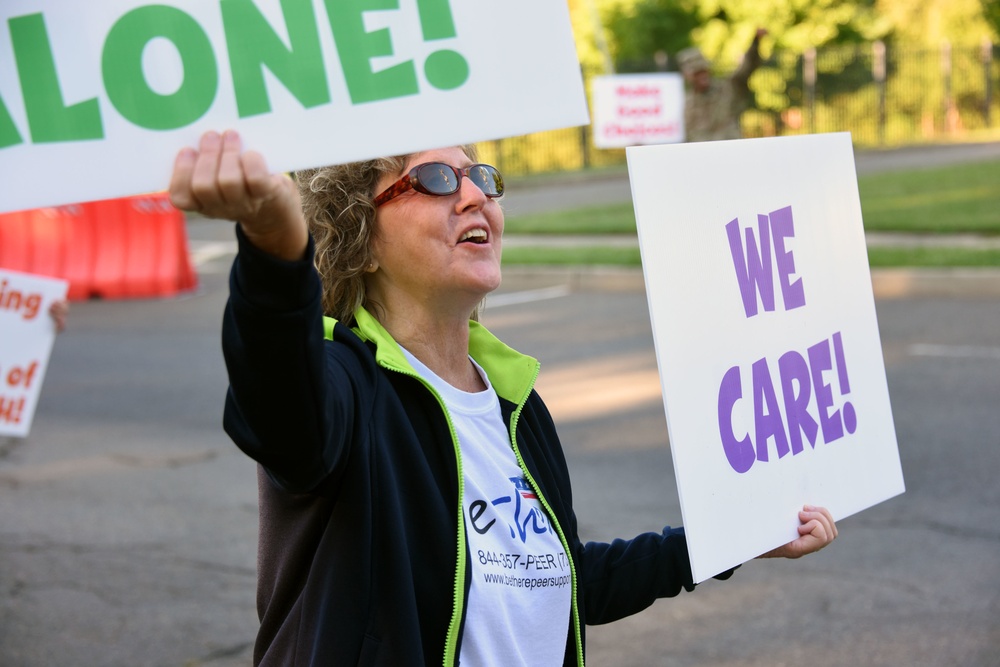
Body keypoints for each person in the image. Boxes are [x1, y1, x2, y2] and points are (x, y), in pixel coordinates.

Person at [168, 130, 838, 667]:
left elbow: (568, 582)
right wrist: (276, 247)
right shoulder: (345, 385)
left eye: (481, 176)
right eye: (434, 179)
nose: (472, 196)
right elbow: (277, 406)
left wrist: (726, 539)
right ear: (361, 237)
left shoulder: (517, 405)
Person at [678, 28, 767, 142]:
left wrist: (755, 42)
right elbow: (690, 135)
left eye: (704, 71)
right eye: (697, 73)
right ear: (689, 77)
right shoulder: (689, 101)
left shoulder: (727, 88)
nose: (702, 76)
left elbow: (746, 69)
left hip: (731, 151)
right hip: (705, 156)